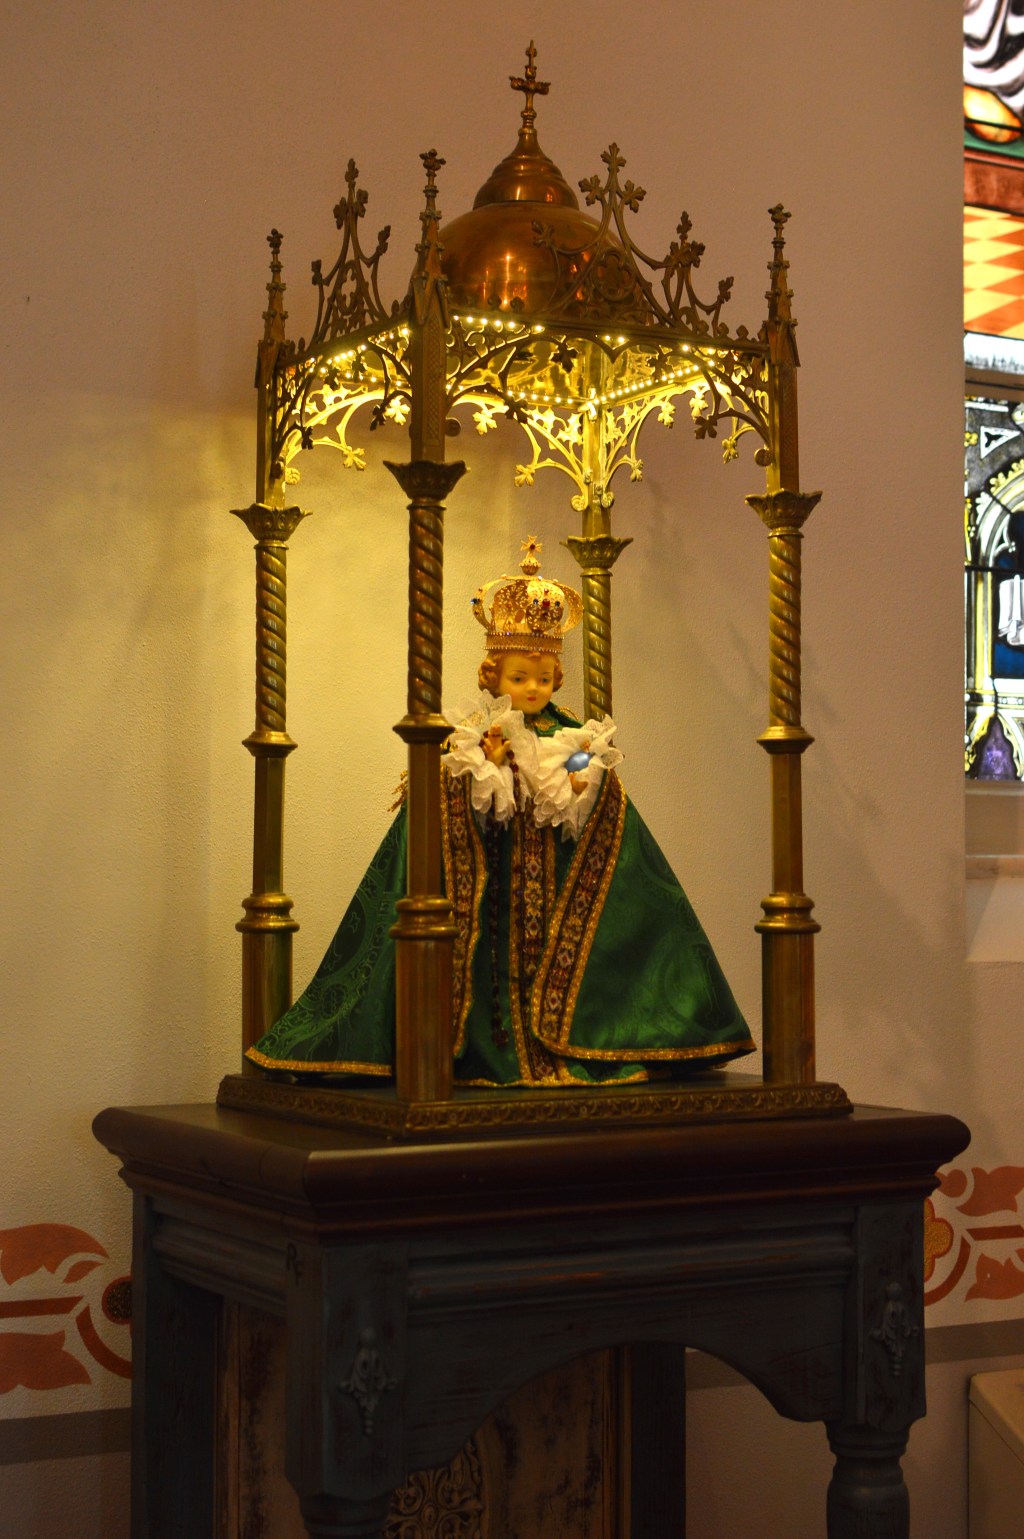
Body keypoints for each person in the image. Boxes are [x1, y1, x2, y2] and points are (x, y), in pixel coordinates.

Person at [246, 539, 754, 1085]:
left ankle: (575, 1036)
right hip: (492, 883)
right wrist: (481, 768)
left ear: (556, 678)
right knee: (489, 966)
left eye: (541, 678)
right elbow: (456, 790)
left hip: (555, 878)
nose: (532, 688)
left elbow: (591, 775)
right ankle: (474, 1048)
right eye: (519, 678)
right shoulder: (472, 735)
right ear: (493, 676)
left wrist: (587, 779)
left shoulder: (572, 734)